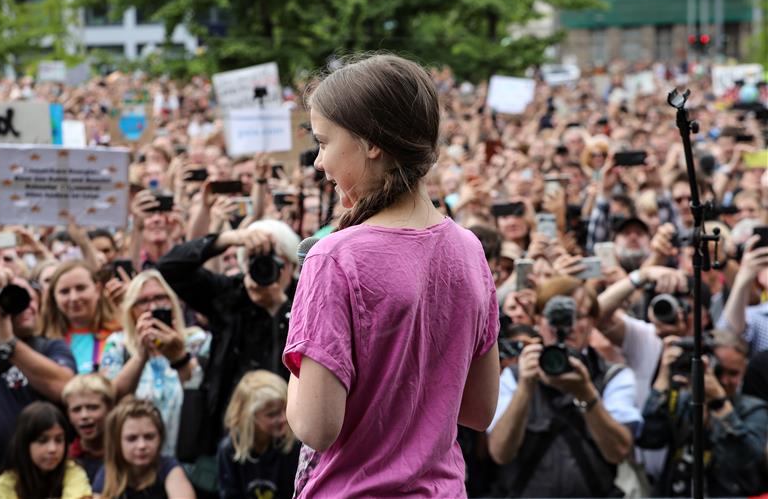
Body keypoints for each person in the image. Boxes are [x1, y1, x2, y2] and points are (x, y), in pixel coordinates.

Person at [282, 54, 500, 498]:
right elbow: (479, 410)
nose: (319, 164)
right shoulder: (469, 248)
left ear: (370, 143)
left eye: (324, 143)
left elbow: (315, 426)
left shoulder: (333, 257)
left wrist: (302, 330)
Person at [155, 219, 300, 459]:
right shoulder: (229, 294)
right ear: (245, 264)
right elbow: (169, 268)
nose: (265, 269)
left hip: (289, 430)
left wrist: (280, 308)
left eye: (276, 263)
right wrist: (227, 239)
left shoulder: (304, 297)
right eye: (255, 260)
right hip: (228, 430)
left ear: (292, 266)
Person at [486, 277, 642, 497]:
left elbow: (618, 452)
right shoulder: (514, 375)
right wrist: (525, 388)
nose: (565, 327)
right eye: (555, 316)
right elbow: (500, 453)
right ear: (538, 320)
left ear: (592, 323)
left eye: (576, 316)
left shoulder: (612, 376)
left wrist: (587, 394)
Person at [0, 272, 77, 482]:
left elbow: (66, 388)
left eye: (31, 298)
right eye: (15, 297)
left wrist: (8, 343)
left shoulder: (51, 347)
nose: (26, 305)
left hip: (46, 480)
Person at [639, 330, 768, 496]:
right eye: (719, 371)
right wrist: (663, 379)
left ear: (744, 369)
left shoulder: (753, 409)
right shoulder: (684, 400)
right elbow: (649, 438)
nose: (724, 381)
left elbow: (745, 458)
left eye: (733, 373)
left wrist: (720, 405)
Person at [100, 269, 210, 456]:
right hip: (136, 456)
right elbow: (109, 399)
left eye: (160, 298)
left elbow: (204, 398)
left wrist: (178, 356)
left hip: (187, 453)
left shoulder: (197, 341)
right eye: (142, 301)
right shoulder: (118, 344)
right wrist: (141, 354)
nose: (152, 307)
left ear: (172, 302)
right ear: (131, 309)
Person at [217, 370, 300, 499]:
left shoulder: (291, 446)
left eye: (285, 409)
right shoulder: (230, 450)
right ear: (248, 417)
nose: (284, 418)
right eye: (272, 414)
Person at [93, 396, 195, 499]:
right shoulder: (108, 473)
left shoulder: (168, 467)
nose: (142, 445)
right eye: (132, 439)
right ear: (117, 442)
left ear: (160, 438)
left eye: (149, 437)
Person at [0, 401, 91, 499]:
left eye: (59, 440)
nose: (52, 449)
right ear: (24, 444)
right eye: (42, 441)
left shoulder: (72, 472)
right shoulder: (6, 483)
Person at [39, 260, 120, 374]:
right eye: (64, 291)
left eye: (81, 288)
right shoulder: (43, 342)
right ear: (54, 297)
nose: (74, 298)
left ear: (97, 289)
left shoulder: (119, 331)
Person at [62, 373, 116, 483]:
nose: (84, 416)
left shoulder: (128, 454)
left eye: (93, 408)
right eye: (76, 409)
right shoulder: (63, 459)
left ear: (110, 409)